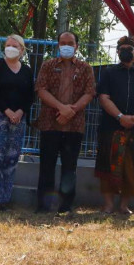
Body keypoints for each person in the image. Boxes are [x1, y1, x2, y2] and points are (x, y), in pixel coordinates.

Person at [34, 31, 95, 214]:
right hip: (49, 124)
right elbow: (41, 89)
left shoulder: (86, 68)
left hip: (74, 126)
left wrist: (71, 110)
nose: (66, 45)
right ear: (58, 45)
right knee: (47, 166)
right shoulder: (48, 66)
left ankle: (66, 206)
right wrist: (62, 108)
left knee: (70, 168)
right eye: (63, 42)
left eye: (70, 42)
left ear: (76, 46)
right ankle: (43, 206)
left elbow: (90, 93)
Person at [95, 36, 134, 215]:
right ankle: (108, 205)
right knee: (106, 164)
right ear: (117, 51)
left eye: (130, 48)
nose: (126, 51)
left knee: (132, 166)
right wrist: (120, 116)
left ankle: (123, 205)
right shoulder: (108, 73)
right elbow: (103, 98)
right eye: (123, 48)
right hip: (110, 127)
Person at [0, 35, 34, 210]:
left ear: (22, 50)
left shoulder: (27, 70)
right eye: (8, 45)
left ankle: (3, 199)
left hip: (18, 119)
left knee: (11, 158)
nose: (10, 48)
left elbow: (29, 95)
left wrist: (19, 112)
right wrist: (7, 111)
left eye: (15, 45)